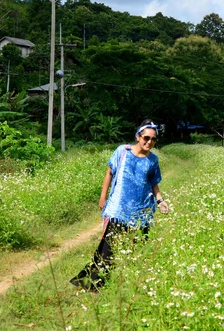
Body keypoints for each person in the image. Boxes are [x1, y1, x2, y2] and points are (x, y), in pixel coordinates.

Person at [70, 119, 169, 291]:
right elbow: (109, 173)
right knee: (108, 249)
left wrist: (161, 201)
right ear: (138, 136)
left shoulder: (153, 160)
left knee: (139, 249)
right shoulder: (122, 151)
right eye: (146, 137)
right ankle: (93, 284)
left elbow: (154, 184)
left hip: (142, 211)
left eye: (153, 139)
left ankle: (134, 285)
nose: (149, 142)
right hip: (119, 209)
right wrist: (103, 198)